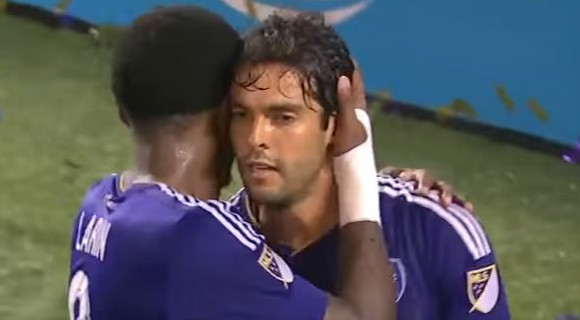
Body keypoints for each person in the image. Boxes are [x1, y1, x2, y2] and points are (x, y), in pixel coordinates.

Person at [67, 6, 396, 320]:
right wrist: (356, 161)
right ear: (225, 112)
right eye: (242, 111)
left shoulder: (97, 204)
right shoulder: (197, 239)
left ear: (125, 113)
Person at [228, 12, 511, 320]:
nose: (256, 138)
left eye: (283, 117)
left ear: (336, 126)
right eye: (241, 115)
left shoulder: (433, 228)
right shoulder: (215, 244)